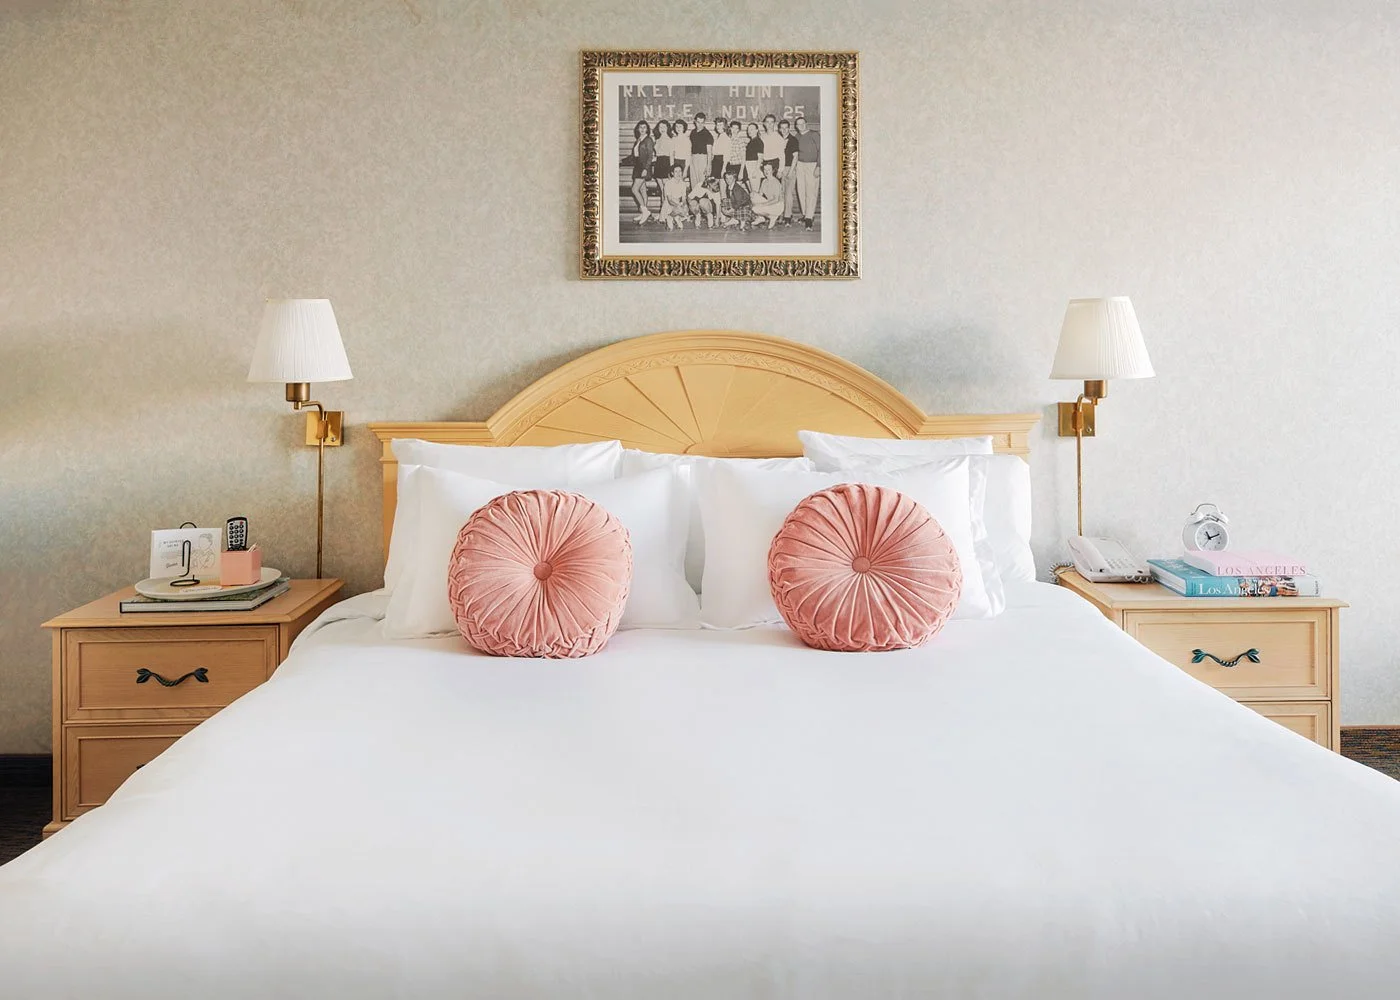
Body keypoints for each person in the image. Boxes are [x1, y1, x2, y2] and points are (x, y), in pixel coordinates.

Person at [793, 115, 820, 231]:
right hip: (800, 165)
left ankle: (809, 217)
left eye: (802, 123)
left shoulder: (814, 134)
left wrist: (819, 166)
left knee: (811, 191)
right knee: (801, 190)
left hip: (812, 165)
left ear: (806, 124)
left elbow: (821, 150)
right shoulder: (797, 136)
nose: (801, 126)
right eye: (798, 124)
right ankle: (805, 215)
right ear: (796, 126)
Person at [629, 120, 656, 224]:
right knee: (642, 190)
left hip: (644, 167)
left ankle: (645, 211)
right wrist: (622, 161)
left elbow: (650, 156)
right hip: (638, 166)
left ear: (647, 129)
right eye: (640, 127)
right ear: (637, 129)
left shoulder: (648, 140)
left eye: (644, 127)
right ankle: (643, 212)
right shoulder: (638, 140)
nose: (642, 129)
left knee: (634, 189)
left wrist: (646, 168)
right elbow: (635, 156)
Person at [778, 117, 799, 225]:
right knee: (781, 193)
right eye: (782, 128)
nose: (784, 130)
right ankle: (781, 215)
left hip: (789, 168)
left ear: (789, 128)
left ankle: (787, 217)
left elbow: (795, 157)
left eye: (786, 128)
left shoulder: (793, 140)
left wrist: (790, 171)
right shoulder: (779, 139)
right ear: (779, 129)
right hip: (780, 169)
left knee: (788, 194)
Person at [751, 160, 785, 229]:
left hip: (778, 206)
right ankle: (761, 217)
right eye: (765, 169)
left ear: (773, 170)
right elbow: (759, 195)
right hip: (770, 203)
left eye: (768, 169)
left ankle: (773, 217)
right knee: (753, 195)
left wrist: (762, 205)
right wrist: (753, 197)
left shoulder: (775, 182)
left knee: (756, 208)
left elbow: (776, 200)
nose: (766, 171)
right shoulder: (764, 181)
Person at [659, 162, 690, 229]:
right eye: (676, 171)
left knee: (685, 209)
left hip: (678, 203)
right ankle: (670, 217)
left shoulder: (683, 184)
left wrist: (684, 205)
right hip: (669, 204)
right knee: (678, 208)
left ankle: (676, 218)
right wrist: (678, 206)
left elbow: (684, 199)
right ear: (672, 173)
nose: (678, 173)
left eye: (680, 171)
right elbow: (669, 200)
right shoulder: (668, 183)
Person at [687, 112, 712, 184]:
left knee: (702, 183)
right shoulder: (693, 132)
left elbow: (709, 152)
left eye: (702, 122)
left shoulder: (708, 134)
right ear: (695, 122)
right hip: (693, 158)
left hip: (703, 159)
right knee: (693, 181)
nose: (700, 125)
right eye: (698, 122)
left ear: (704, 122)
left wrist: (708, 166)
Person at [759, 113, 784, 179]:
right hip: (764, 164)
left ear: (774, 124)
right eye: (767, 122)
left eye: (772, 122)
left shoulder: (778, 137)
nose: (769, 124)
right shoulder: (762, 137)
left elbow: (782, 155)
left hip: (775, 165)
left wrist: (780, 170)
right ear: (764, 124)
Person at [723, 120, 745, 190]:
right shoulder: (728, 140)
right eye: (733, 128)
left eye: (736, 128)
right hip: (729, 166)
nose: (734, 130)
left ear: (739, 130)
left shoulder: (740, 141)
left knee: (737, 189)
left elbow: (743, 157)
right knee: (729, 189)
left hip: (738, 166)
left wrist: (741, 171)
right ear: (730, 128)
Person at [651, 120, 673, 191]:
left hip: (666, 163)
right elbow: (657, 154)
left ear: (667, 128)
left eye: (664, 127)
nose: (662, 129)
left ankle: (666, 199)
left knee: (666, 188)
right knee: (661, 188)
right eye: (660, 127)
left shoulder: (670, 140)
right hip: (658, 163)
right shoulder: (657, 140)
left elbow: (671, 155)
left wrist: (671, 169)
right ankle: (663, 199)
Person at [743, 122, 763, 187]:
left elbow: (760, 157)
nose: (749, 131)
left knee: (755, 190)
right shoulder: (751, 141)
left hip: (754, 166)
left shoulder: (758, 141)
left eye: (751, 129)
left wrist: (756, 170)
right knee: (752, 190)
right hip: (749, 166)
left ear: (757, 130)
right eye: (748, 129)